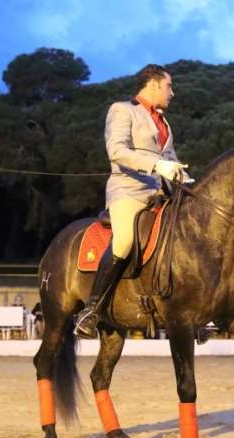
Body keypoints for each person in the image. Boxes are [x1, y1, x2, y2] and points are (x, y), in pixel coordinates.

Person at [76, 64, 191, 339]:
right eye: (169, 86)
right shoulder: (122, 110)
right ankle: (92, 309)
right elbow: (116, 151)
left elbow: (172, 161)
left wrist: (190, 183)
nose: (172, 93)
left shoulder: (164, 123)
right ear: (153, 84)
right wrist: (156, 165)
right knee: (125, 240)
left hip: (162, 195)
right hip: (129, 190)